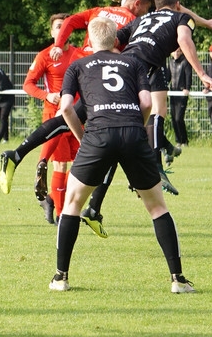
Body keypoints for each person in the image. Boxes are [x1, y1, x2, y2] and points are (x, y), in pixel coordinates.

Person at [50, 16, 195, 294]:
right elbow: (146, 103)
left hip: (97, 135)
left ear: (90, 40)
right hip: (132, 133)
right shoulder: (134, 63)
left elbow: (66, 107)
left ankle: (61, 277)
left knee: (72, 205)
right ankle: (177, 279)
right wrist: (136, 130)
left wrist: (83, 138)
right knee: (157, 207)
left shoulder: (78, 65)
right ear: (116, 39)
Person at [80, 0, 212, 233]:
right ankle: (151, 168)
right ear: (178, 5)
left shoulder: (142, 19)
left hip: (120, 74)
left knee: (113, 140)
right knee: (140, 128)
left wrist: (99, 66)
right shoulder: (179, 18)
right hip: (136, 76)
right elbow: (185, 40)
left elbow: (111, 40)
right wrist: (202, 74)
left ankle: (95, 207)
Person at [0, 0, 154, 194]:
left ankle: (18, 155)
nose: (145, 12)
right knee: (112, 125)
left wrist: (58, 44)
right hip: (99, 72)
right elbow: (126, 49)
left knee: (67, 119)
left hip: (81, 63)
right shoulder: (134, 21)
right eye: (146, 8)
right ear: (138, 4)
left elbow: (71, 21)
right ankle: (94, 205)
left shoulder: (98, 11)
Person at [22, 14, 84, 223]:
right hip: (54, 117)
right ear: (52, 32)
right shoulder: (45, 56)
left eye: (65, 27)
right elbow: (28, 84)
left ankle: (52, 200)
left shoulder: (79, 54)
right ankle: (61, 214)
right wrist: (46, 95)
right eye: (58, 27)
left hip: (77, 117)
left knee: (79, 167)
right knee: (60, 165)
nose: (61, 31)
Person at [168, 47, 192, 148]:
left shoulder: (185, 62)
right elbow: (168, 76)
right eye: (174, 51)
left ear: (182, 52)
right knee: (173, 118)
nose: (176, 53)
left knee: (179, 118)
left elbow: (188, 75)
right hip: (173, 93)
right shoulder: (170, 62)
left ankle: (184, 140)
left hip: (181, 93)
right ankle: (178, 140)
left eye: (178, 51)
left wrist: (187, 88)